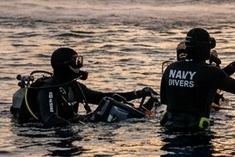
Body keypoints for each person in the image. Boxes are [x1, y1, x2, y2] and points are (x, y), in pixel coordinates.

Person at [159, 28, 235, 132]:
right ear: (203, 47)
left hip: (169, 131)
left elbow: (165, 99)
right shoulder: (209, 72)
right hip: (195, 137)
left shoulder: (171, 68)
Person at [13, 47, 155, 126]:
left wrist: (138, 93)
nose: (79, 67)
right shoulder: (48, 89)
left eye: (80, 61)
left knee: (111, 108)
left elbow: (103, 97)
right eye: (76, 62)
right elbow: (49, 119)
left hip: (67, 127)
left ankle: (144, 112)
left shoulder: (74, 87)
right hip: (41, 134)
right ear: (63, 66)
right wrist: (83, 124)